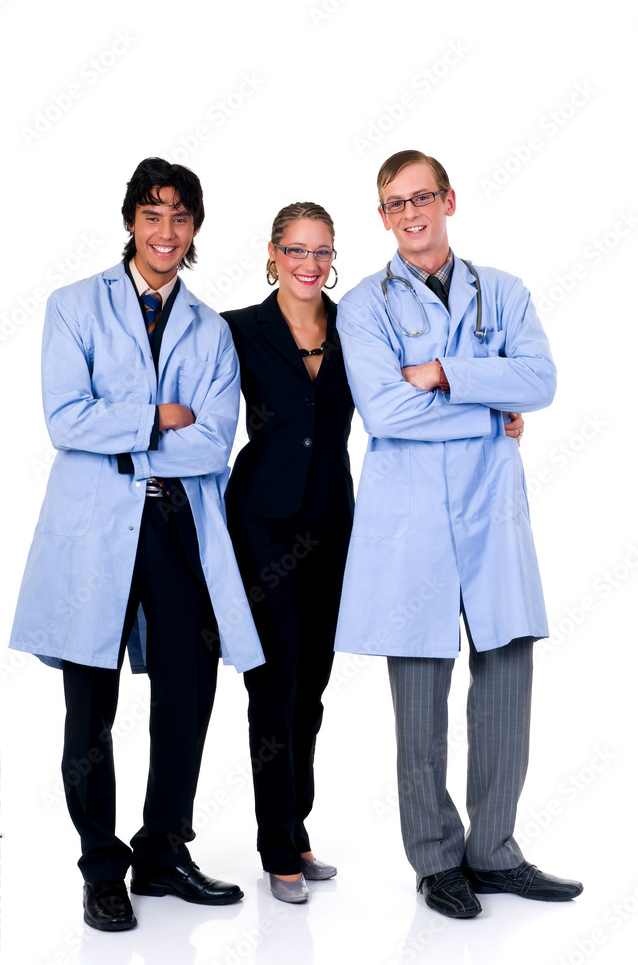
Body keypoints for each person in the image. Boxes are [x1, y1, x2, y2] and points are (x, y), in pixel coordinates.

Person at [9, 157, 264, 932]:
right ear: (131, 222)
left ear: (194, 229)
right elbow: (65, 420)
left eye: (180, 217)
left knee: (188, 689)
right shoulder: (73, 307)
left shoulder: (210, 329)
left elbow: (212, 443)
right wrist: (157, 418)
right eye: (153, 215)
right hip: (93, 530)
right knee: (90, 701)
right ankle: (100, 868)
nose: (166, 231)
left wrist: (122, 433)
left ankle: (161, 851)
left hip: (176, 524)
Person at [333, 150, 583, 919]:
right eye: (393, 203)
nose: (409, 214)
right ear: (381, 217)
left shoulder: (501, 290)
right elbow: (384, 412)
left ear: (447, 200)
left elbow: (539, 382)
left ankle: (494, 853)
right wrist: (489, 406)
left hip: (492, 515)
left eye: (421, 198)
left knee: (506, 681)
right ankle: (436, 860)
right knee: (419, 703)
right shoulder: (364, 306)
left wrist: (443, 371)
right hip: (410, 523)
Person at [221, 203, 355, 904]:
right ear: (273, 253)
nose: (309, 263)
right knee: (273, 683)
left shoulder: (356, 325)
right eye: (296, 250)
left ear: (333, 258)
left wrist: (495, 411)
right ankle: (277, 847)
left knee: (314, 683)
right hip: (262, 523)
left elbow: (405, 390)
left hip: (332, 519)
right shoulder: (238, 328)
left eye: (321, 251)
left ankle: (296, 827)